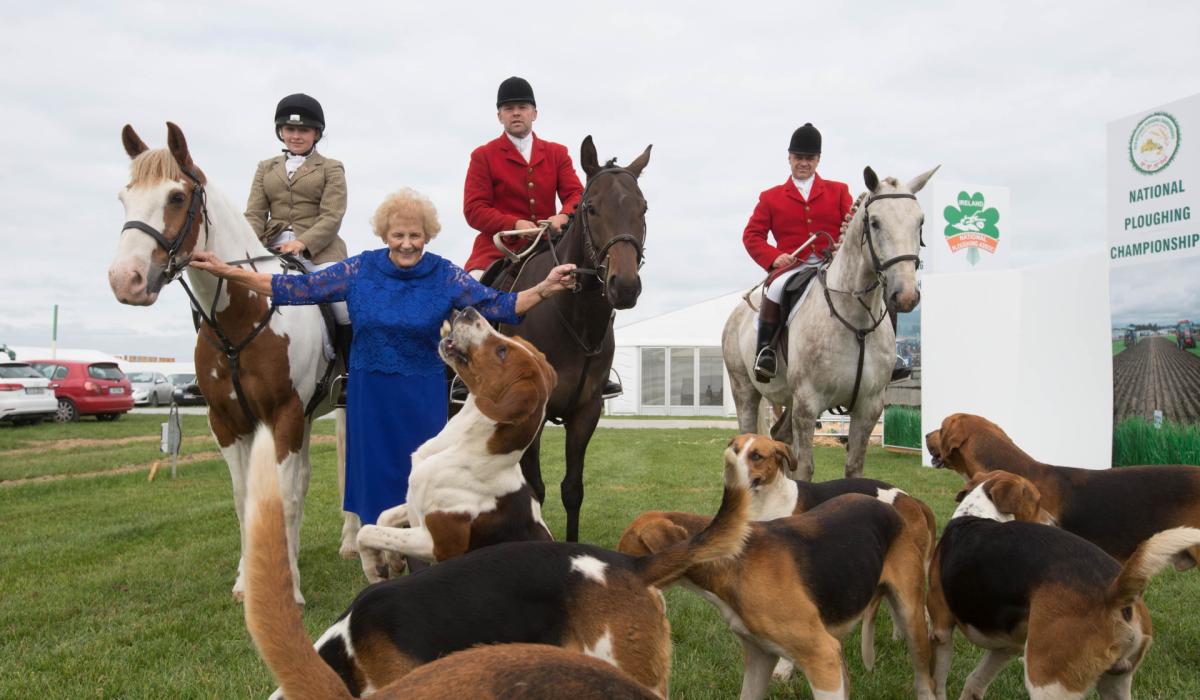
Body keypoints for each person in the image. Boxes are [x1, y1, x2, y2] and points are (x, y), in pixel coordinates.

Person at [190, 188, 576, 532]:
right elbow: (294, 287)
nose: (407, 244)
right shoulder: (361, 269)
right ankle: (377, 552)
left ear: (427, 235)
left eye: (415, 236)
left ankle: (422, 549)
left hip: (422, 396)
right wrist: (227, 271)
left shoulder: (444, 275)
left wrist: (545, 287)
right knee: (375, 483)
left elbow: (502, 305)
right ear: (385, 235)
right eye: (398, 236)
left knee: (424, 480)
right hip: (371, 397)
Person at [460, 76, 621, 398]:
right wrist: (514, 223)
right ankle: (468, 375)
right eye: (509, 108)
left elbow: (577, 194)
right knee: (471, 294)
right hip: (499, 249)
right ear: (499, 116)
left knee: (595, 286)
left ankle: (597, 369)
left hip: (550, 246)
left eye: (522, 107)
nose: (516, 113)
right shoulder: (483, 155)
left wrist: (564, 215)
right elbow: (474, 209)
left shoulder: (556, 153)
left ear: (534, 113)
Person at [244, 93, 352, 403]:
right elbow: (254, 213)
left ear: (316, 133)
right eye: (290, 129)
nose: (296, 135)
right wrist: (249, 247)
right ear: (280, 131)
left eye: (303, 130)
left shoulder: (331, 168)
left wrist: (303, 243)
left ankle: (347, 374)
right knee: (228, 291)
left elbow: (332, 216)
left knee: (343, 305)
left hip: (319, 250)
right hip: (270, 247)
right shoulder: (266, 168)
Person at [743, 123, 853, 382]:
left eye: (810, 158)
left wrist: (843, 244)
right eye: (798, 157)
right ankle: (766, 352)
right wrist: (774, 257)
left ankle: (886, 355)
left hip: (831, 263)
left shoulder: (839, 191)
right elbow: (752, 235)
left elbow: (851, 227)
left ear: (818, 159)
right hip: (793, 266)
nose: (804, 163)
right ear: (789, 158)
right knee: (776, 288)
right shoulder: (770, 197)